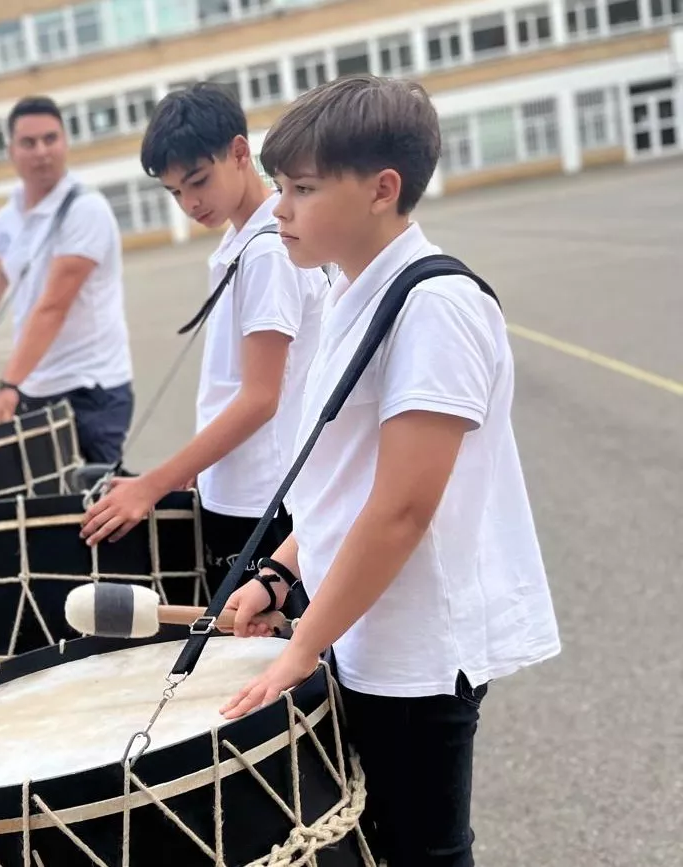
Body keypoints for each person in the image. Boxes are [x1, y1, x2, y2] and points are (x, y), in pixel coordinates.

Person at [217, 76, 560, 866]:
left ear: (382, 190)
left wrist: (303, 648)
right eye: (280, 187)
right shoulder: (351, 293)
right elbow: (340, 482)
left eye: (303, 188)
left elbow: (403, 508)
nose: (279, 210)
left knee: (423, 852)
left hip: (413, 650)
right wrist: (278, 572)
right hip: (360, 628)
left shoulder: (435, 305)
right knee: (370, 842)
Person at [79, 83, 328, 605]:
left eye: (197, 180)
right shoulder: (242, 242)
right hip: (240, 489)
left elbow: (261, 398)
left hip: (265, 498)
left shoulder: (267, 251)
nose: (189, 202)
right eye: (173, 192)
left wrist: (154, 483)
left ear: (240, 153)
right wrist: (199, 468)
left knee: (262, 661)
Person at [0, 96, 134, 464]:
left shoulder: (85, 209)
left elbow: (53, 306)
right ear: (11, 151)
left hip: (90, 388)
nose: (41, 151)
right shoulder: (4, 220)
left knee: (97, 508)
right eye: (29, 143)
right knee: (50, 511)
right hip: (34, 385)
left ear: (65, 142)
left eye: (50, 138)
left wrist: (8, 385)